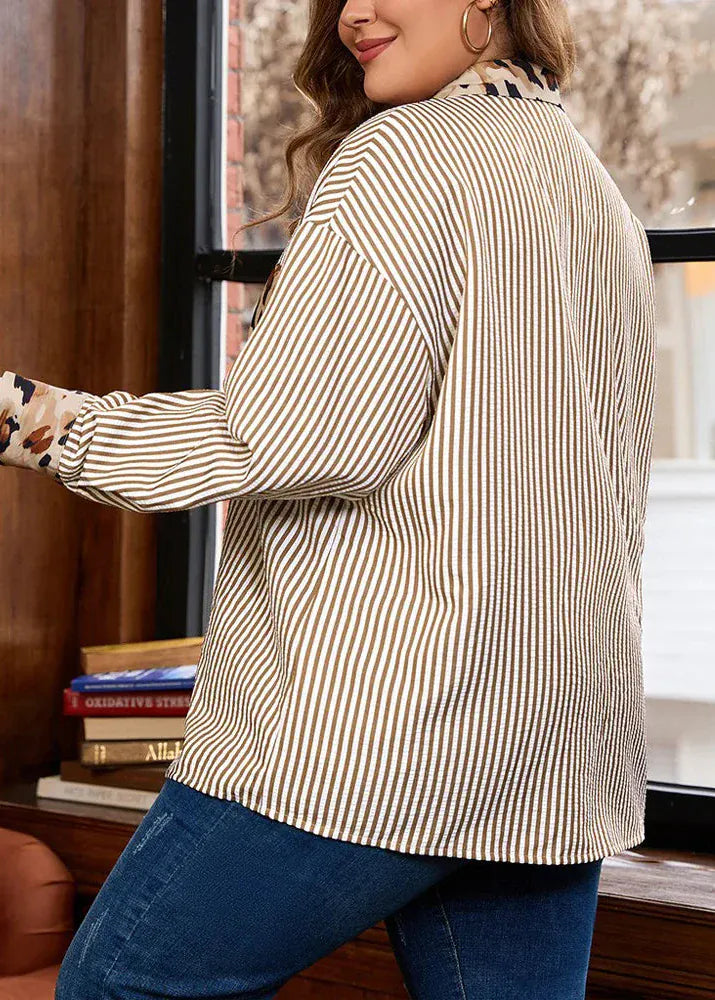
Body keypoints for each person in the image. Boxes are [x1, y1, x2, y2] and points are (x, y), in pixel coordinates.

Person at [0, 0, 656, 996]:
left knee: (119, 984)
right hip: (548, 742)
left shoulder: (404, 159)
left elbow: (288, 434)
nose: (353, 11)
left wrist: (30, 418)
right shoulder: (583, 180)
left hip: (373, 734)